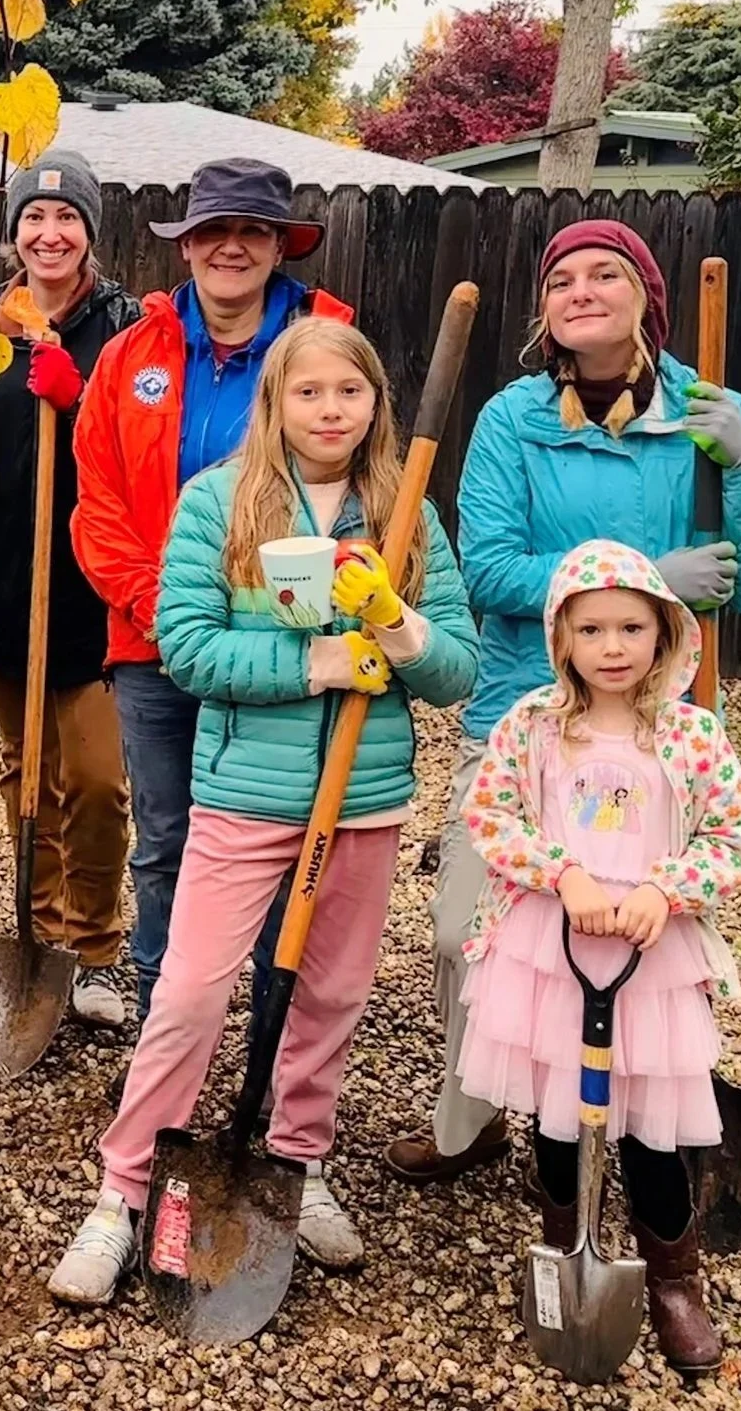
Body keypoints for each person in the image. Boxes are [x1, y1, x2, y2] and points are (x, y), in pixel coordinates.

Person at [48, 321, 476, 1303]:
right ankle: (122, 1192)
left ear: (375, 403)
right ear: (275, 403)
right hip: (246, 797)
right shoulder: (220, 505)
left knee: (327, 998)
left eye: (349, 392)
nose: (330, 411)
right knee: (192, 991)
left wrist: (396, 627)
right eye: (308, 393)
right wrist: (310, 665)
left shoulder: (401, 515)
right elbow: (185, 645)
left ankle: (296, 1162)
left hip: (361, 803)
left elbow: (455, 670)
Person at [385, 219, 741, 1187]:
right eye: (560, 278)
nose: (580, 290)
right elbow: (484, 568)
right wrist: (649, 574)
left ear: (645, 294)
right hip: (524, 713)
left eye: (604, 272)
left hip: (656, 730)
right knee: (463, 929)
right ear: (545, 312)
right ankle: (476, 1110)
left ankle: (626, 1130)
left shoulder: (709, 415)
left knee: (643, 934)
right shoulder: (512, 420)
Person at [456, 540, 741, 1375]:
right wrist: (563, 871)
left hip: (647, 960)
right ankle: (568, 1253)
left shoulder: (693, 736)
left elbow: (734, 837)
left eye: (633, 627)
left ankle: (672, 1281)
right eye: (593, 629)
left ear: (665, 634)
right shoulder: (533, 727)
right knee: (561, 1116)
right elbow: (493, 817)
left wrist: (667, 889)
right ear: (563, 639)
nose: (614, 646)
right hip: (553, 951)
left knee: (652, 1127)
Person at [71, 157, 354, 1020]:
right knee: (165, 840)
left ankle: (270, 1031)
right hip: (155, 640)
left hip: (284, 645)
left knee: (280, 842)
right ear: (187, 244)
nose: (231, 247)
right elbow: (99, 501)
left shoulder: (323, 348)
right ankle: (169, 1026)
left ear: (277, 245)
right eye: (214, 230)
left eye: (252, 231)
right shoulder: (132, 358)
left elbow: (362, 487)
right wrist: (168, 607)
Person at [0, 153, 139, 1029]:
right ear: (14, 231)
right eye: (35, 219)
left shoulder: (126, 330)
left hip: (92, 589)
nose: (49, 234)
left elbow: (142, 446)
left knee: (97, 780)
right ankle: (38, 938)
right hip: (2, 583)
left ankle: (94, 946)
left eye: (67, 221)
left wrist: (86, 394)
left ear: (90, 234)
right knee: (28, 772)